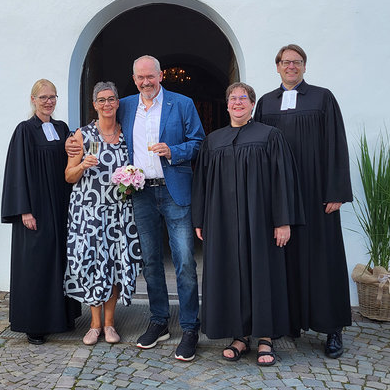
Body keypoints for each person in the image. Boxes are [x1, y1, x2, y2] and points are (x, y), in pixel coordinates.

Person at [192, 82, 303, 366]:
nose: (238, 102)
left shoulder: (270, 136)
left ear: (252, 104)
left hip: (261, 221)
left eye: (243, 98)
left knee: (262, 274)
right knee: (231, 274)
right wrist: (200, 218)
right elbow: (201, 182)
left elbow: (282, 180)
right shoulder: (213, 141)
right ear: (227, 105)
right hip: (223, 223)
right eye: (233, 98)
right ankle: (239, 336)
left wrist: (283, 221)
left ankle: (265, 337)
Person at [254, 44, 353, 358]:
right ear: (278, 67)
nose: (291, 67)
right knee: (285, 258)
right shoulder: (266, 102)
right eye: (285, 62)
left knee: (323, 259)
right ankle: (291, 322)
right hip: (279, 195)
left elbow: (336, 143)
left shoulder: (322, 98)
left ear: (305, 66)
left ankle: (332, 328)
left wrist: (336, 191)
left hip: (316, 194)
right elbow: (256, 147)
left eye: (296, 62)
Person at [117, 55, 205, 361]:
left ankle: (190, 327)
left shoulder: (182, 103)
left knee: (184, 262)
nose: (146, 82)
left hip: (174, 189)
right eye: (140, 78)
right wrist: (74, 142)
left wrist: (173, 151)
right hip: (140, 192)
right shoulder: (125, 105)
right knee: (151, 261)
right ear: (134, 79)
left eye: (150, 76)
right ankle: (159, 321)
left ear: (161, 75)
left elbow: (199, 141)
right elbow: (104, 126)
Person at [1, 79, 81, 345]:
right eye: (44, 97)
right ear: (33, 99)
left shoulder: (62, 128)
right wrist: (24, 210)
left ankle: (62, 318)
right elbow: (17, 172)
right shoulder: (25, 130)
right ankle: (34, 324)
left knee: (60, 261)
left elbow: (71, 164)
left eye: (53, 97)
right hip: (36, 209)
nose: (49, 102)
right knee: (36, 265)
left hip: (60, 206)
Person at [63, 81, 142, 345]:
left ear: (118, 103)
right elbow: (68, 176)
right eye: (101, 100)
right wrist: (82, 165)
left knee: (116, 265)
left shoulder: (127, 134)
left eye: (111, 99)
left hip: (119, 212)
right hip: (89, 212)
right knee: (93, 264)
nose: (107, 104)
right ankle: (94, 325)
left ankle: (109, 324)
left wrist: (133, 181)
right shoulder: (82, 135)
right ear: (94, 105)